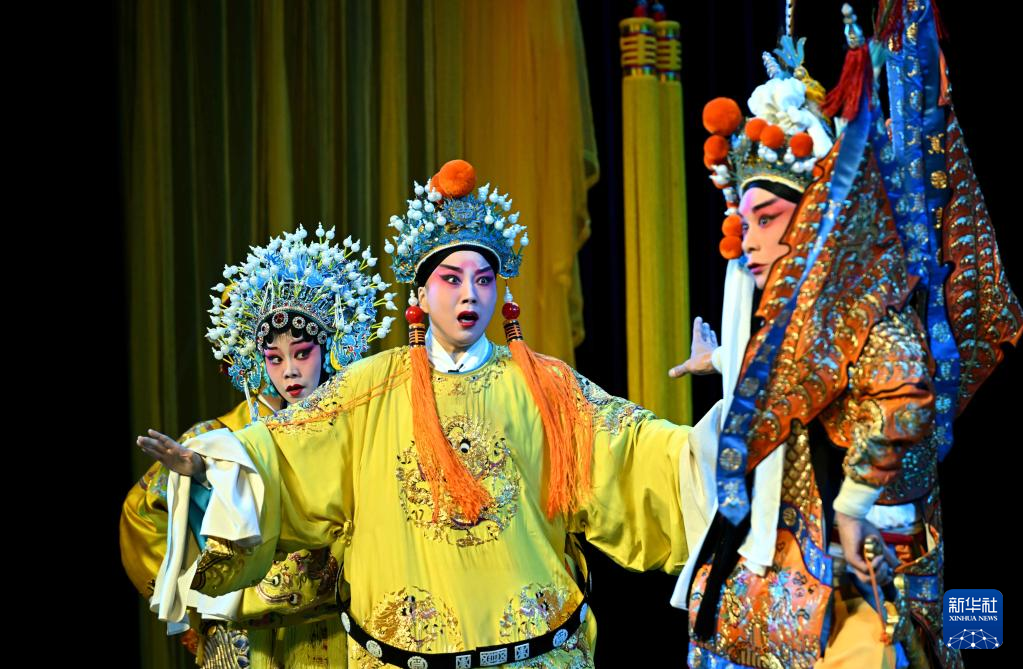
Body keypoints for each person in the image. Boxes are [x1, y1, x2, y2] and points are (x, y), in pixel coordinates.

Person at [144, 159, 695, 668]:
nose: (469, 295)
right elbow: (285, 452)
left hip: (536, 653)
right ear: (422, 295)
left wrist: (708, 444)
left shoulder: (546, 385)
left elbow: (633, 448)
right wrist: (211, 467)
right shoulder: (369, 389)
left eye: (483, 279)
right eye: (451, 279)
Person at [669, 4, 1021, 667]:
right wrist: (720, 357)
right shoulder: (785, 305)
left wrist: (857, 504)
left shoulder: (867, 308)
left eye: (767, 219)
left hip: (862, 572)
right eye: (744, 221)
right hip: (785, 561)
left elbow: (902, 401)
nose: (747, 241)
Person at [129, 224, 396, 668]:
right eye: (274, 358)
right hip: (254, 631)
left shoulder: (362, 426)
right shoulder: (233, 440)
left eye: (302, 353)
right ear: (258, 363)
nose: (289, 371)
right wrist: (203, 476)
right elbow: (157, 515)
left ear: (329, 349)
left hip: (341, 619)